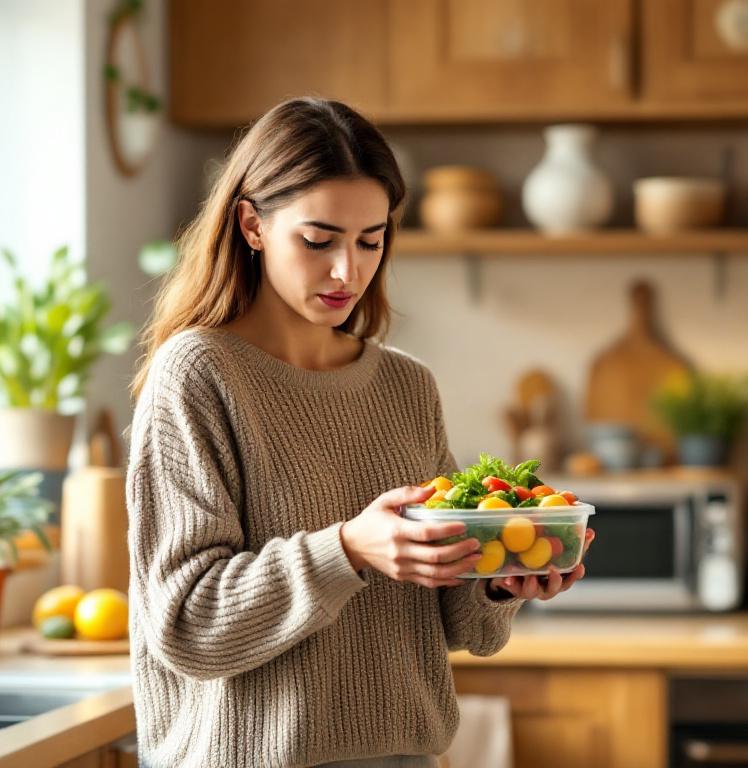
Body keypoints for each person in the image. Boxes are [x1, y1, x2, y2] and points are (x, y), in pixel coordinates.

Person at [126, 97, 593, 768]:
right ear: (252, 225)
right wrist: (347, 550)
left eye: (370, 240)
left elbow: (465, 630)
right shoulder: (198, 374)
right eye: (318, 240)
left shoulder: (406, 387)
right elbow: (189, 625)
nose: (348, 270)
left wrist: (501, 575)